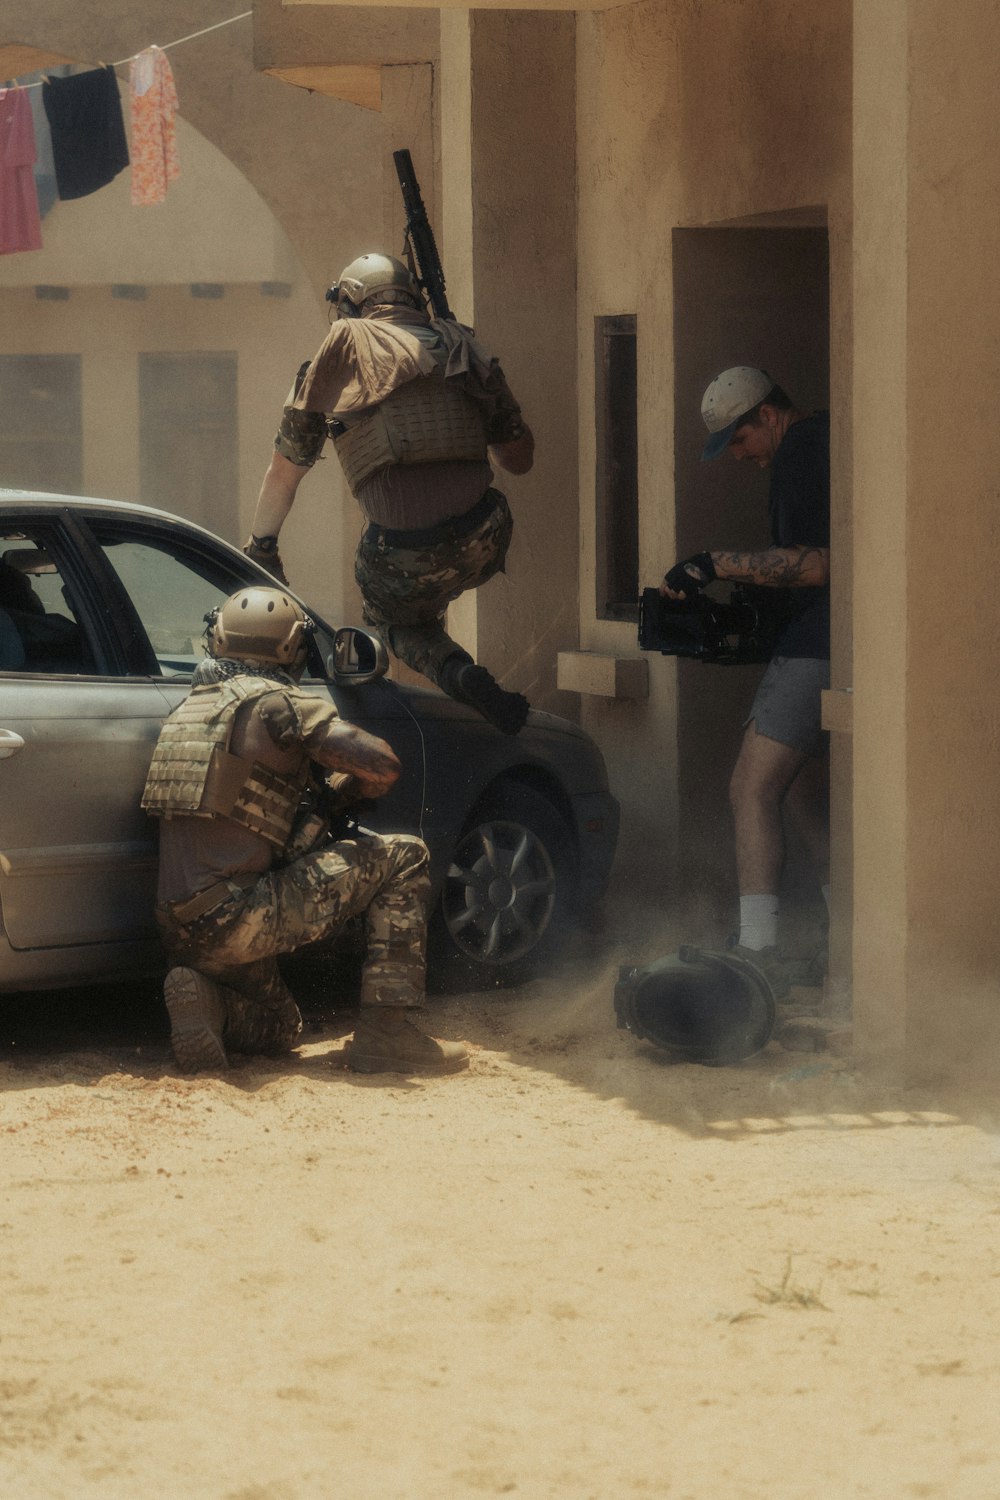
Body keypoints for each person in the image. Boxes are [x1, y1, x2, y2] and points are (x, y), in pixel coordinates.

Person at [141, 584, 469, 1078]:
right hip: (239, 916)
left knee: (281, 1026)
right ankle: (386, 1034)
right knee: (406, 856)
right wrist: (355, 785)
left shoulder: (187, 710)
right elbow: (383, 766)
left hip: (180, 926)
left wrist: (331, 797)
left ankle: (210, 1003)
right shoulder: (281, 705)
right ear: (291, 647)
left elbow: (246, 810)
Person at [246, 253, 535, 736]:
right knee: (432, 582)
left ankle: (459, 674)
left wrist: (262, 548)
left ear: (352, 304)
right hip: (487, 536)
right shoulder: (462, 347)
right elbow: (519, 460)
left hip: (401, 557)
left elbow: (284, 474)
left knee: (394, 620)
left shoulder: (336, 358)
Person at [660, 366, 830, 984]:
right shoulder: (816, 444)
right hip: (828, 640)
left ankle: (757, 951)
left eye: (739, 439)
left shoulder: (803, 449)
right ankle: (846, 945)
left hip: (820, 643)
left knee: (749, 788)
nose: (739, 455)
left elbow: (820, 565)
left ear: (767, 414)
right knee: (808, 798)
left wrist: (712, 565)